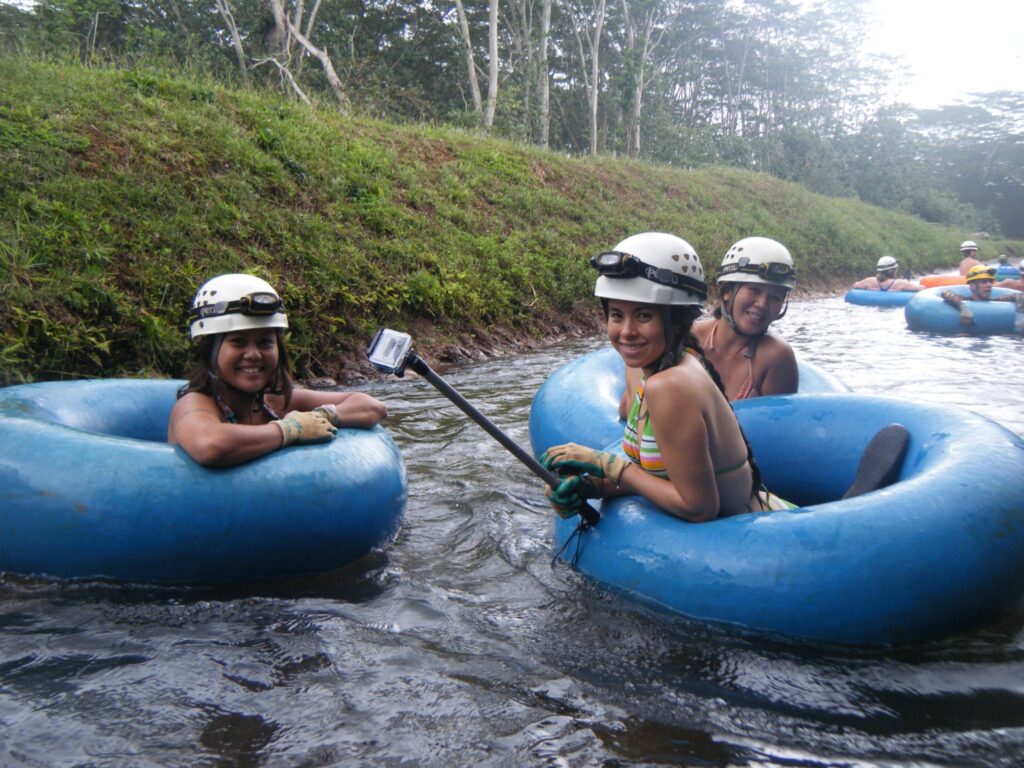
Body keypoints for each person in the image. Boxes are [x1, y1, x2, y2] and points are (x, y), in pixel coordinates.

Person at [541, 232, 788, 524]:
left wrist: (605, 464)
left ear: (676, 319)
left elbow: (699, 507)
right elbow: (661, 477)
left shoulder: (671, 385)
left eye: (644, 316)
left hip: (755, 544)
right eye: (617, 315)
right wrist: (591, 485)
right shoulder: (675, 362)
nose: (627, 331)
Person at [168, 273, 387, 466]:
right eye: (238, 342)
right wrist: (290, 430)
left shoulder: (275, 402)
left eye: (265, 343)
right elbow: (209, 445)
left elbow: (372, 407)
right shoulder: (194, 403)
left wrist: (323, 415)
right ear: (210, 350)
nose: (254, 354)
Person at [941, 264, 1024, 327]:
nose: (989, 285)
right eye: (984, 282)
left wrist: (1020, 315)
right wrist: (963, 307)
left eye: (990, 282)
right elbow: (945, 292)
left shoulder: (995, 301)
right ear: (972, 286)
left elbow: (1019, 295)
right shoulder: (964, 300)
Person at [852, 256, 922, 293]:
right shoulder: (900, 283)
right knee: (907, 281)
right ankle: (907, 279)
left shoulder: (870, 281)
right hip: (892, 309)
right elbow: (922, 289)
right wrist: (907, 282)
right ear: (893, 270)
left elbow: (855, 285)